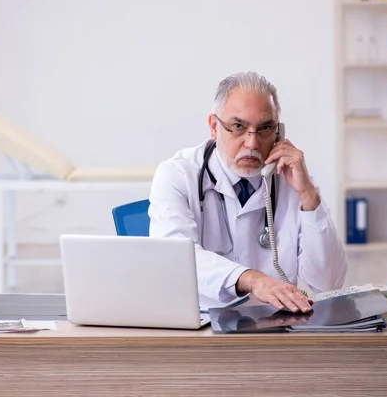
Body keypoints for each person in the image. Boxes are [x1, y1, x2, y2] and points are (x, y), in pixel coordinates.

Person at [148, 71, 348, 314]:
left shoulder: (291, 178)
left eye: (265, 128)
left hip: (276, 328)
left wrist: (309, 196)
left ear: (278, 132)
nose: (252, 143)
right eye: (238, 127)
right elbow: (177, 261)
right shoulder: (178, 175)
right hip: (200, 327)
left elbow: (329, 283)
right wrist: (253, 280)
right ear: (214, 126)